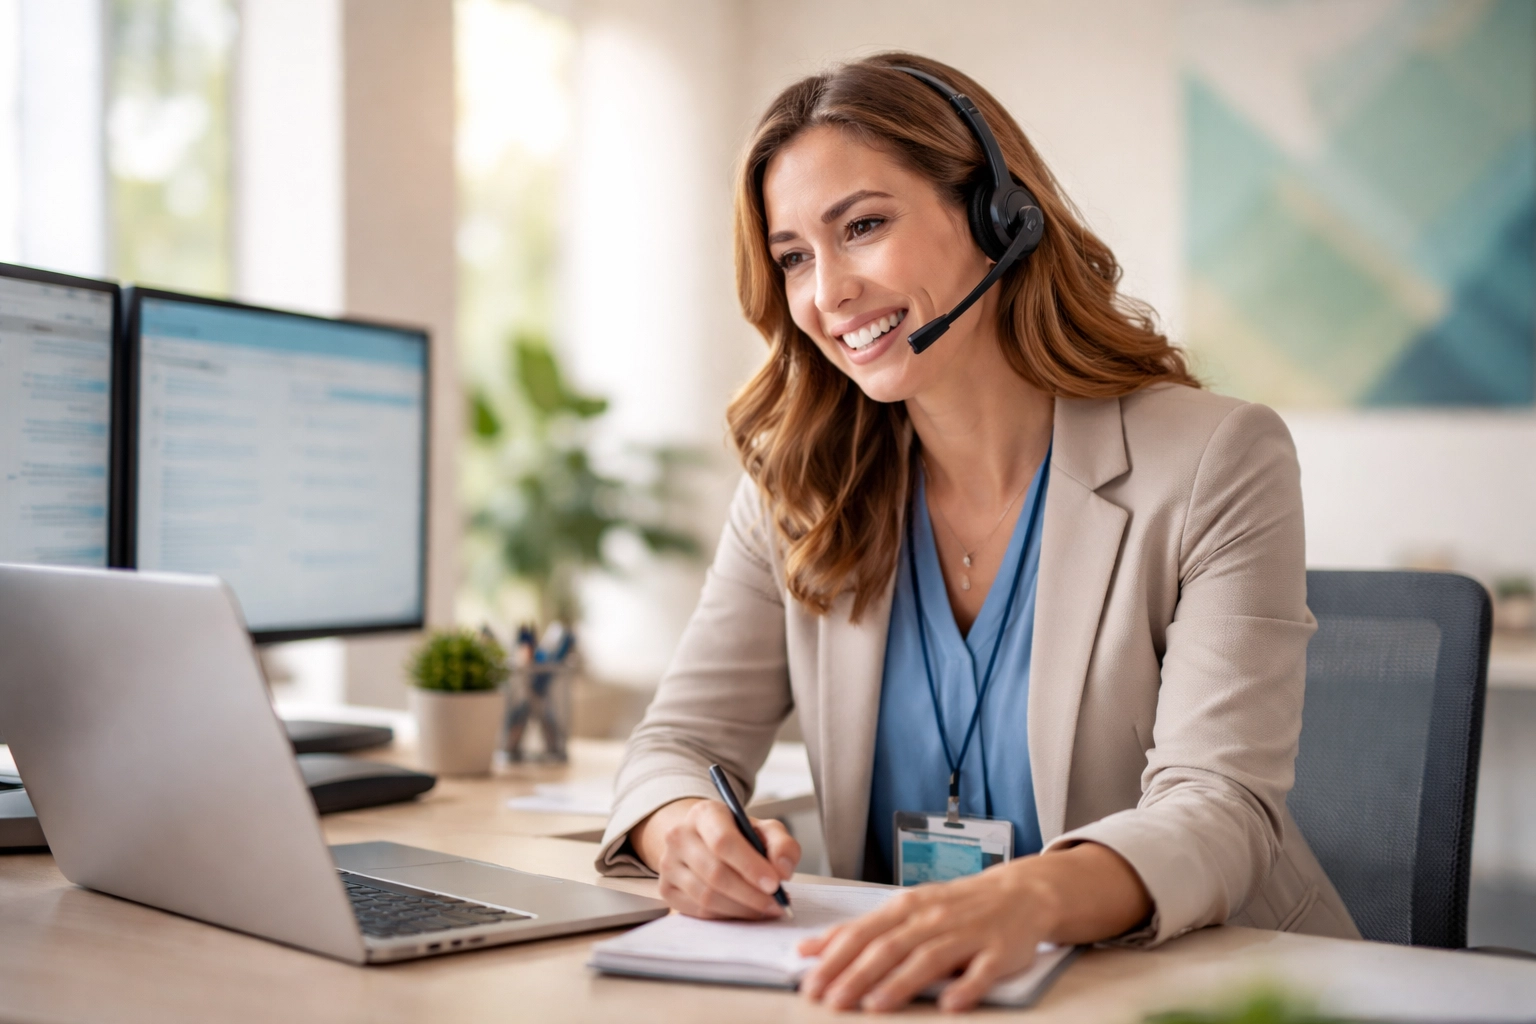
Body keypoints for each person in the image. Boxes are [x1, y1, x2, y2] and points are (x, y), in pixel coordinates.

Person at [595, 51, 1358, 1013]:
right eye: (794, 256)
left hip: (1196, 986)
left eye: (862, 227)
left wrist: (1024, 898)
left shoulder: (1213, 458)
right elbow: (678, 740)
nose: (827, 293)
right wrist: (683, 829)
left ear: (999, 216)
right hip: (917, 991)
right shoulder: (803, 483)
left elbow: (1221, 810)